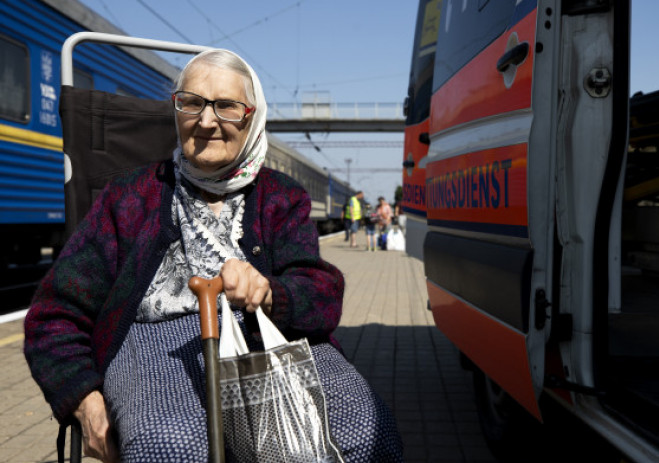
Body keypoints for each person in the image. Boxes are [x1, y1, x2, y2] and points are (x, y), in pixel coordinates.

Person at [24, 49, 402, 463]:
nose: (207, 121)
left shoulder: (282, 196)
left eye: (226, 106)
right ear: (176, 110)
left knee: (364, 430)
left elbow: (322, 296)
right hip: (153, 345)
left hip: (269, 341)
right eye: (192, 103)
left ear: (252, 116)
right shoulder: (128, 198)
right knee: (169, 445)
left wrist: (271, 292)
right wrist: (83, 397)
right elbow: (53, 313)